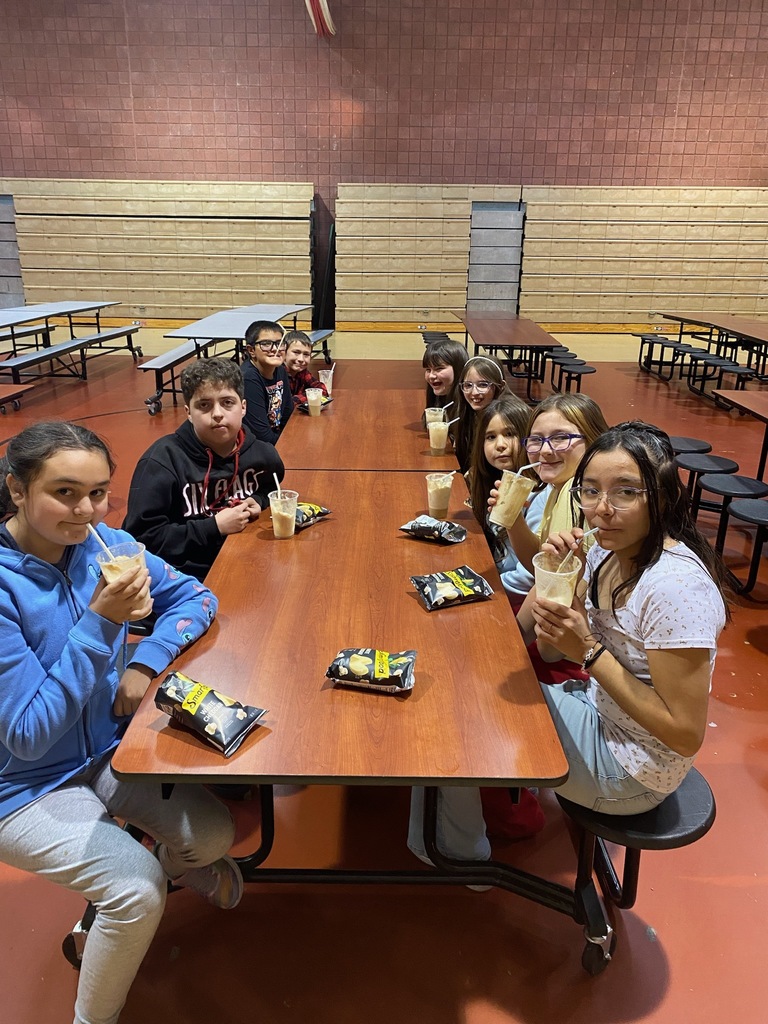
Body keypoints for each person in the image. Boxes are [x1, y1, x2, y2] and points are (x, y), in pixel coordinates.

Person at [0, 421, 241, 1024]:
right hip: (22, 787)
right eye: (64, 493)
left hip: (107, 752)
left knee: (213, 836)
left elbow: (196, 597)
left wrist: (143, 661)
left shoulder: (105, 547)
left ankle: (130, 886)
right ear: (17, 491)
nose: (86, 511)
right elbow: (27, 733)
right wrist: (103, 623)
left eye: (99, 492)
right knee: (136, 889)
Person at [518, 421, 729, 812]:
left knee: (477, 717)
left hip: (632, 771)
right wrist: (562, 575)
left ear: (663, 498)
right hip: (600, 711)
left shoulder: (674, 587)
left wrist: (588, 651)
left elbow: (684, 735)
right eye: (591, 490)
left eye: (626, 492)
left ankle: (458, 849)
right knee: (490, 698)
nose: (601, 509)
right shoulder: (602, 550)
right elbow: (548, 652)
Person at [123, 357, 284, 582]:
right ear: (188, 412)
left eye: (227, 402)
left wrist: (259, 499)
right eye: (204, 405)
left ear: (244, 407)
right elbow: (141, 539)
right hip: (184, 579)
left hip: (247, 562)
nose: (217, 413)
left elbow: (272, 488)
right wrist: (213, 527)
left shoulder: (263, 454)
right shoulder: (161, 462)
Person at [497, 393, 609, 577]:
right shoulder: (557, 487)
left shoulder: (575, 490)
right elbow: (540, 560)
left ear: (593, 440)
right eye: (536, 440)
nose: (545, 450)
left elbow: (552, 577)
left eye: (561, 438)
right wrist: (513, 517)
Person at [469, 394, 547, 605]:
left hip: (512, 601)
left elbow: (528, 579)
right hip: (495, 580)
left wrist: (476, 585)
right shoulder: (497, 482)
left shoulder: (538, 498)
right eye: (490, 437)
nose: (500, 445)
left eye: (510, 434)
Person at [454, 355, 509, 473]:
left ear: (501, 386)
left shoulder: (507, 418)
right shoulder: (469, 415)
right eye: (468, 385)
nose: (474, 392)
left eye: (483, 385)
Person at [241, 319, 293, 443]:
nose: (275, 349)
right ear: (251, 350)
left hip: (276, 437)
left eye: (279, 343)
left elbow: (288, 411)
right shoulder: (248, 378)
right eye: (266, 344)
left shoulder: (279, 369)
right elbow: (261, 435)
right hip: (257, 446)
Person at [282, 330, 329, 407]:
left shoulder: (302, 372)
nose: (301, 359)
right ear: (284, 352)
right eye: (296, 352)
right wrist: (311, 395)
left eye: (306, 354)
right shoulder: (278, 374)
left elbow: (321, 390)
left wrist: (299, 398)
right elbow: (286, 404)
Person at [422, 338, 469, 414]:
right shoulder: (437, 399)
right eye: (428, 370)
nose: (431, 376)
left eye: (439, 369)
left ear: (458, 369)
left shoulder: (473, 406)